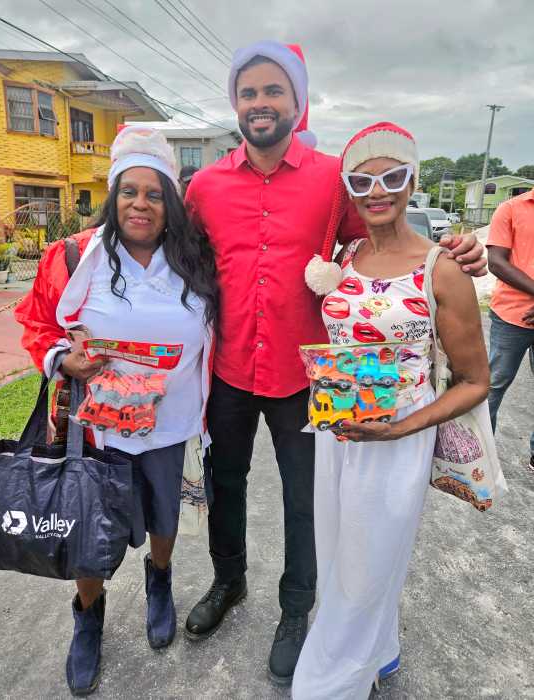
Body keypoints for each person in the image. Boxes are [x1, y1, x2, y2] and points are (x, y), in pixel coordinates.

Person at [183, 40, 486, 685]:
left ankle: (298, 612)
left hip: (310, 377)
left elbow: (385, 231)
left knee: (306, 502)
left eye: (273, 92)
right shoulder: (205, 186)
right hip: (230, 370)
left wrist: (463, 253)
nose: (260, 104)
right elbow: (170, 252)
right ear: (234, 104)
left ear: (297, 101)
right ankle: (228, 582)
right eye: (248, 93)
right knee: (225, 482)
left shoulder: (332, 177)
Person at [15, 125, 218, 696]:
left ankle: (160, 581)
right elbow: (38, 322)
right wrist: (62, 358)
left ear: (170, 202)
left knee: (164, 517)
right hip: (100, 428)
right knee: (89, 529)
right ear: (112, 194)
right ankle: (89, 617)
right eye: (130, 191)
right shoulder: (75, 254)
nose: (141, 203)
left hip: (172, 424)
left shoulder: (194, 258)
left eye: (155, 193)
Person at [292, 121, 490, 699]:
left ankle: (332, 681)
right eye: (362, 180)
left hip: (397, 443)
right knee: (335, 551)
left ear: (412, 181)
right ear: (349, 190)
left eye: (393, 177)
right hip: (338, 433)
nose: (377, 191)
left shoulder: (441, 267)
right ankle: (378, 649)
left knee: (370, 559)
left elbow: (476, 380)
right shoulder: (344, 256)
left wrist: (401, 428)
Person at [485, 189, 534, 472]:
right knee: (494, 385)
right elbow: (497, 262)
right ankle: (483, 453)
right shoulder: (511, 208)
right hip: (511, 315)